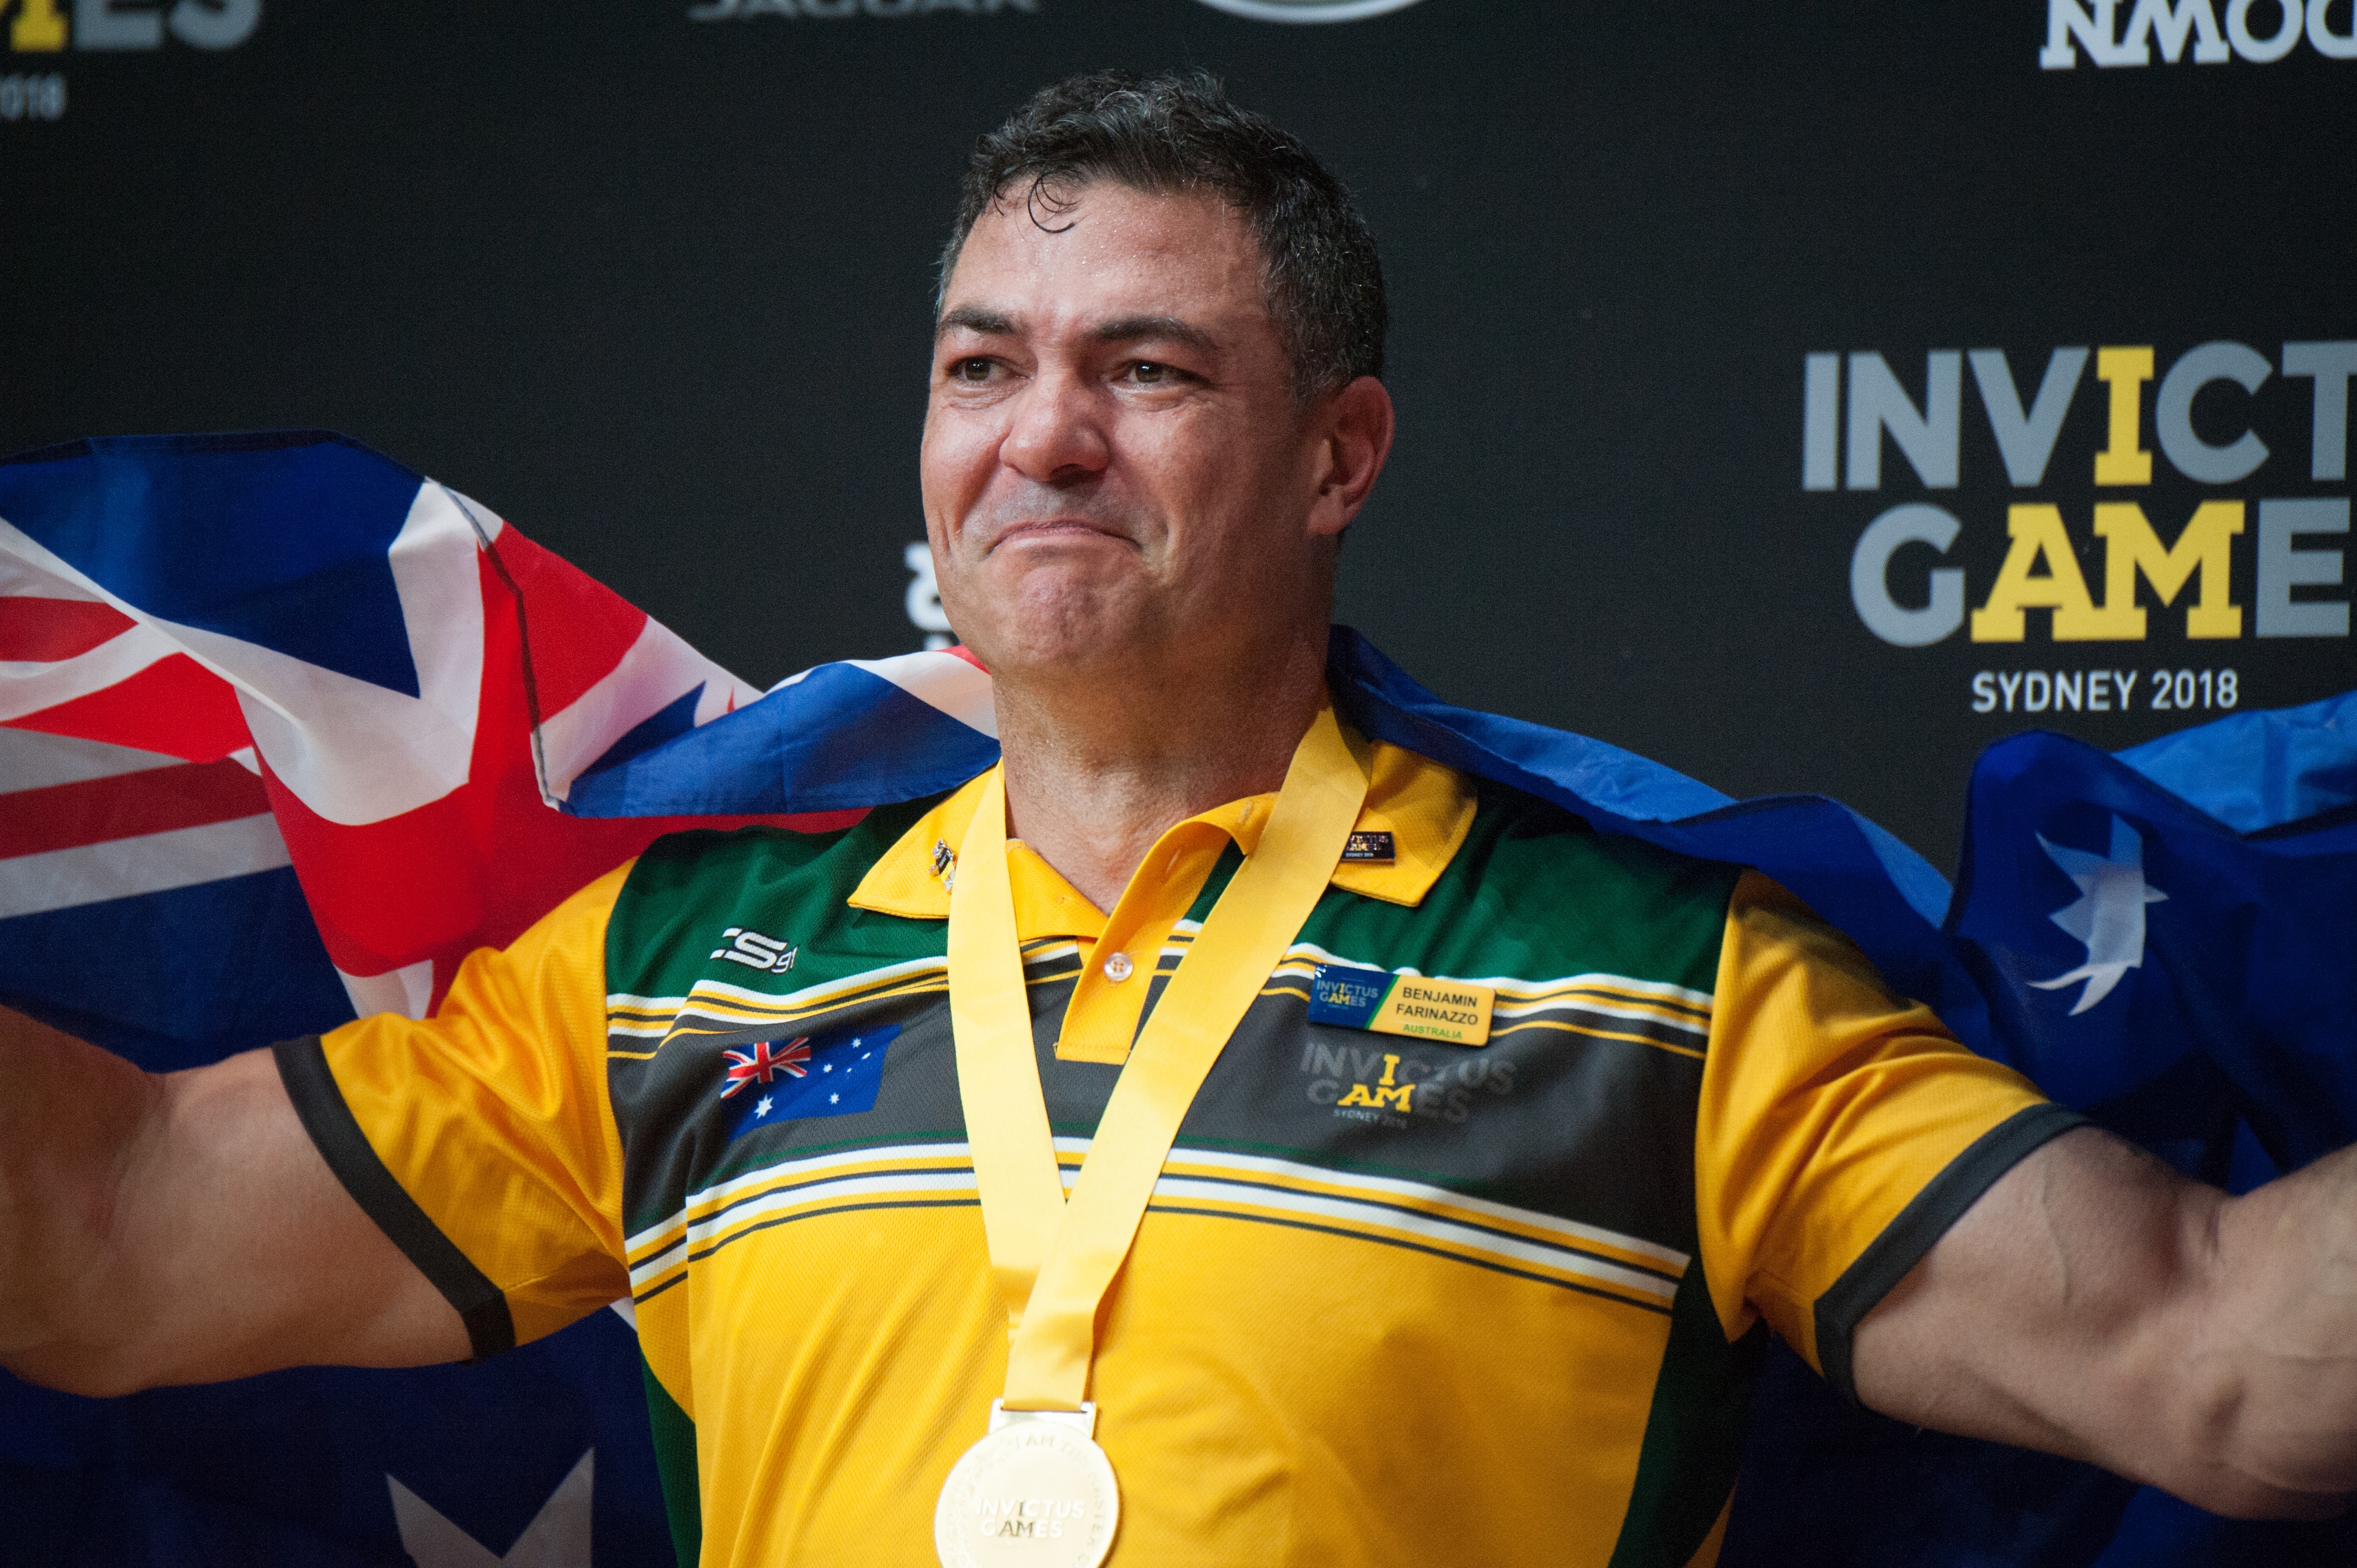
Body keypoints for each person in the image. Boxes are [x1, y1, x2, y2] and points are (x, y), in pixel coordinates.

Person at [3, 68, 2355, 1568]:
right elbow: (110, 1241)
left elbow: (2216, 1357)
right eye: (982, 367)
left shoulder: (1658, 983)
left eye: (1144, 370)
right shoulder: (674, 971)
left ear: (1339, 455)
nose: (1040, 437)